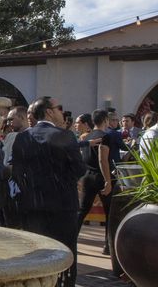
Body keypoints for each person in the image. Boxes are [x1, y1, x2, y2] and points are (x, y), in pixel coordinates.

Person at [11, 97, 86, 287]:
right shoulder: (64, 135)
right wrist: (65, 183)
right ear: (49, 112)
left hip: (33, 206)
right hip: (63, 206)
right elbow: (79, 169)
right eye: (58, 108)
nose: (62, 112)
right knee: (66, 254)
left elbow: (18, 173)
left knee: (37, 253)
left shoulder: (22, 137)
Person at [76, 109, 116, 256]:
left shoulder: (88, 136)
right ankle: (108, 246)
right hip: (101, 176)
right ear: (105, 120)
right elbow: (102, 159)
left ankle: (71, 240)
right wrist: (107, 181)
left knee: (82, 210)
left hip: (87, 176)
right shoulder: (105, 136)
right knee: (109, 212)